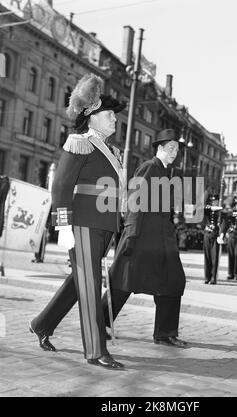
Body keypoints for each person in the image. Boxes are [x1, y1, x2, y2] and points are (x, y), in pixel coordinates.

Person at [29, 73, 126, 369]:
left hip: (103, 225)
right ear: (92, 116)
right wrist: (63, 226)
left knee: (80, 281)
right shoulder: (79, 143)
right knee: (89, 283)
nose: (114, 120)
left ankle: (41, 324)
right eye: (109, 115)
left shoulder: (110, 150)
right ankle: (95, 350)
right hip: (82, 224)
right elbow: (60, 187)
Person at [102, 129, 188, 348]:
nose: (174, 153)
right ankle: (97, 323)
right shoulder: (150, 167)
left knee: (173, 282)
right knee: (124, 281)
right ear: (159, 148)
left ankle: (165, 333)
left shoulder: (170, 173)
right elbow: (134, 201)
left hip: (162, 239)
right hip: (141, 236)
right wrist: (130, 234)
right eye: (171, 148)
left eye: (177, 149)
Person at [200, 193, 224, 285]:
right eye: (213, 201)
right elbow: (200, 209)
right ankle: (207, 277)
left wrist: (221, 234)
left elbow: (224, 223)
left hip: (215, 236)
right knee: (207, 258)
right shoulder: (207, 210)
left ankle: (213, 278)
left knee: (214, 258)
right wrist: (209, 207)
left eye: (216, 201)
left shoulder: (221, 212)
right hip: (207, 235)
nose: (214, 203)